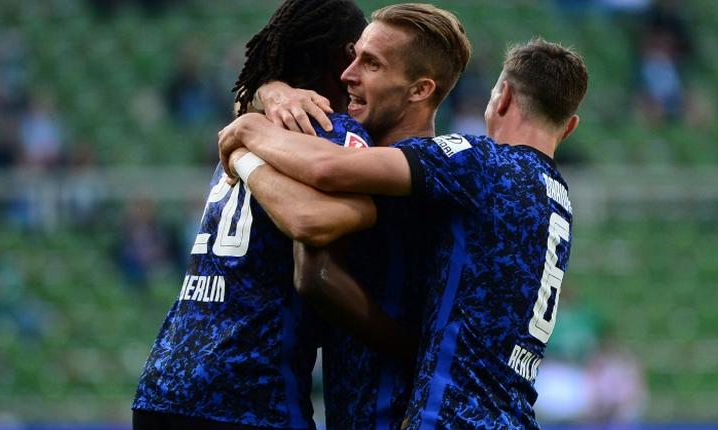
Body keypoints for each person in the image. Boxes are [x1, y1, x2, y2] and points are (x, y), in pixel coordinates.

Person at [219, 38, 588, 428]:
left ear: (503, 98)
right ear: (570, 127)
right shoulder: (559, 201)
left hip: (454, 418)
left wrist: (246, 134)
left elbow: (327, 167)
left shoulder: (483, 163)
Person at [130, 1, 389, 429]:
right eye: (360, 54)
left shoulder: (252, 125)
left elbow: (243, 104)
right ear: (345, 57)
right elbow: (310, 219)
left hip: (163, 385)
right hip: (249, 392)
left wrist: (263, 96)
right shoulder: (333, 130)